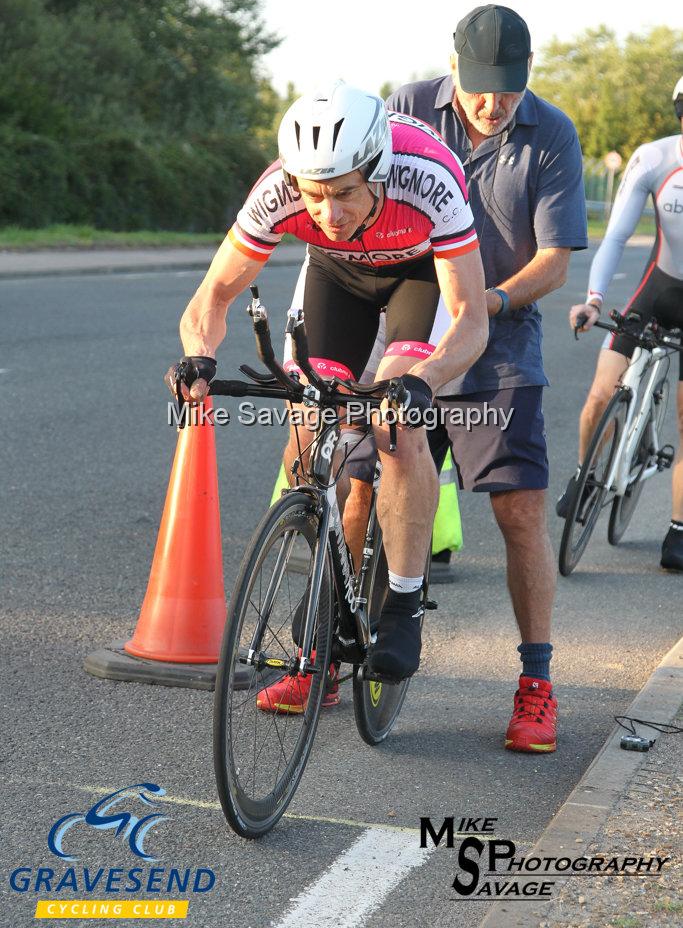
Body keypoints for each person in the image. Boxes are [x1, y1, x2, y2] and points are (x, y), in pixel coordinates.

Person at [282, 5, 588, 754]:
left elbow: (553, 261)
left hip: (499, 343)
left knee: (519, 510)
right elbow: (342, 210)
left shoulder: (550, 134)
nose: (494, 103)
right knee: (357, 487)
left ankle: (535, 684)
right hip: (411, 336)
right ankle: (321, 656)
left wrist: (488, 298)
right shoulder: (403, 110)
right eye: (481, 87)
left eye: (509, 88)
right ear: (452, 69)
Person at [167, 80, 488, 694]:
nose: (329, 213)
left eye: (343, 193)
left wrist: (423, 382)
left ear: (377, 168)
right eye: (314, 197)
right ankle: (330, 588)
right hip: (335, 279)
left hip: (418, 274)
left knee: (396, 425)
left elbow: (472, 320)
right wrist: (198, 358)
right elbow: (213, 295)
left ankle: (403, 600)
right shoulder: (280, 189)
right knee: (306, 435)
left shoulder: (427, 177)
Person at [561, 77, 683, 570]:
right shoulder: (656, 158)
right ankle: (585, 477)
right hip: (657, 292)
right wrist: (593, 299)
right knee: (599, 394)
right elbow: (614, 237)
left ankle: (678, 527)